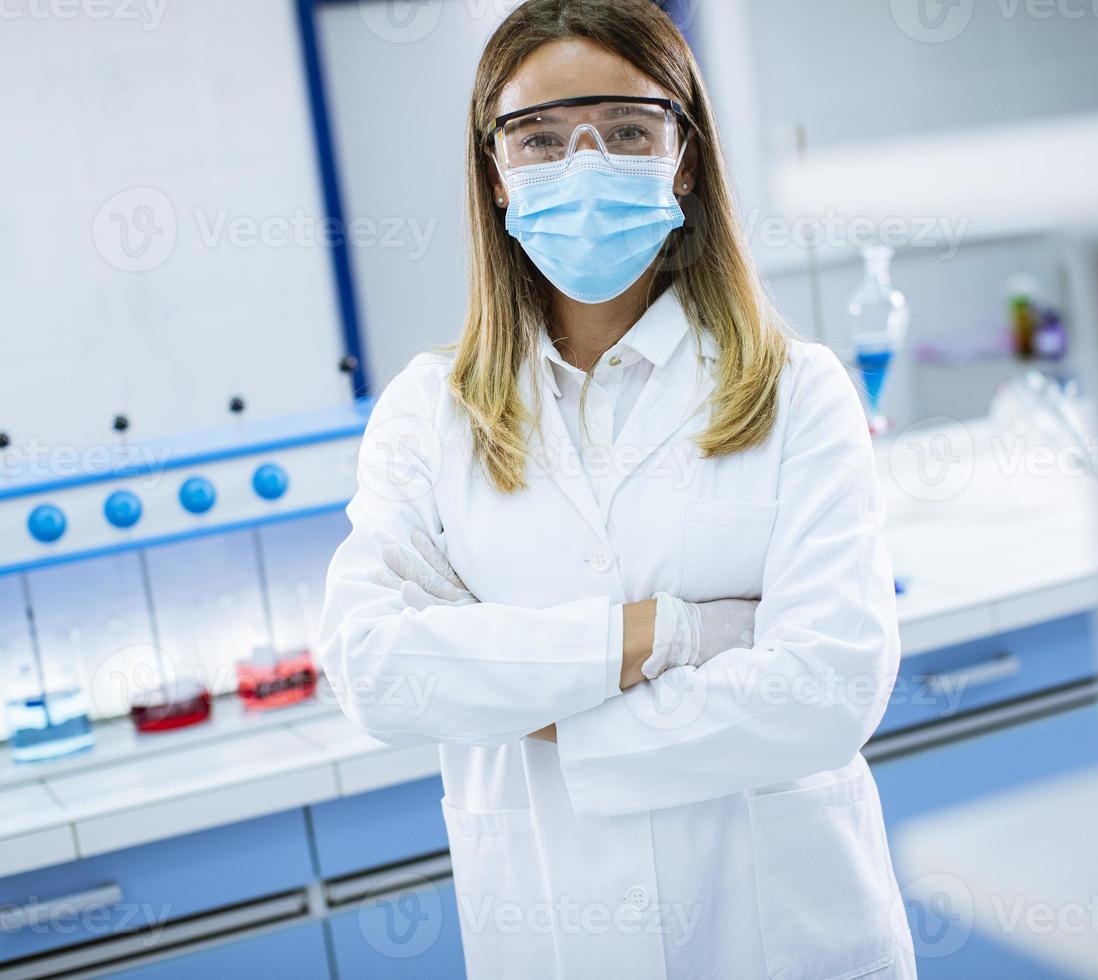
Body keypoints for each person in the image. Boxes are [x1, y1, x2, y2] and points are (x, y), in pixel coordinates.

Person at [319, 1, 916, 976]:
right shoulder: (429, 411)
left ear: (683, 158)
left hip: (782, 937)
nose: (584, 169)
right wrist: (667, 632)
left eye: (628, 133)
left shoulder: (796, 389)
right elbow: (378, 671)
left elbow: (826, 692)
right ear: (494, 175)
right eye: (540, 140)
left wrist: (522, 705)